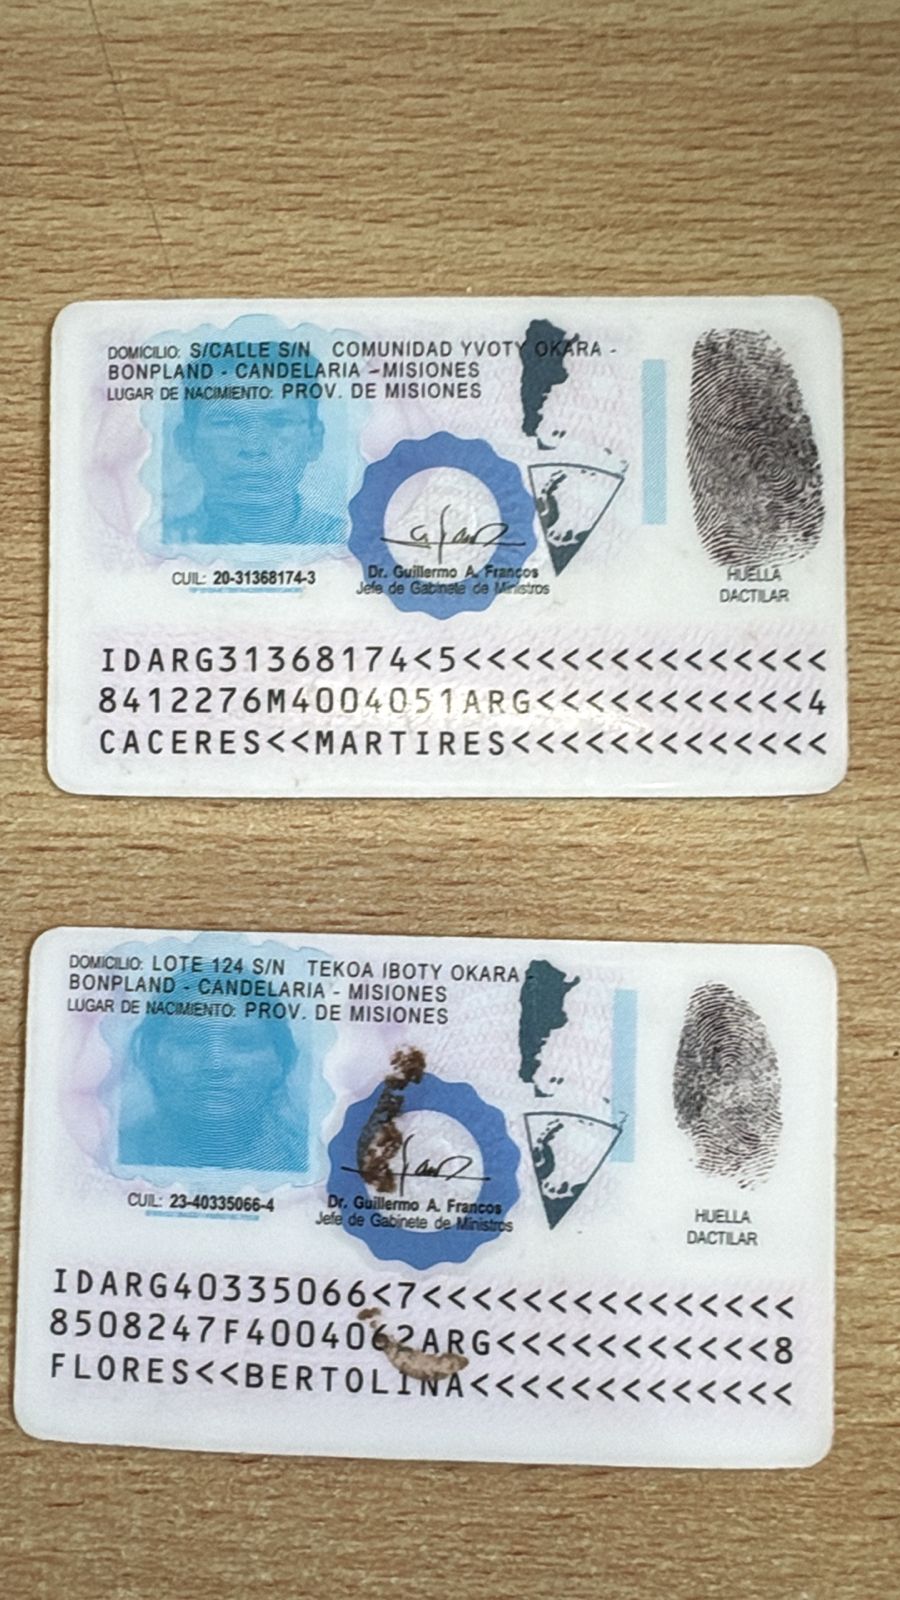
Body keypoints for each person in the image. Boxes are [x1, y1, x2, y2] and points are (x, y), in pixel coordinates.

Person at [118, 1004, 309, 1173]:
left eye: (243, 1042)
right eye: (189, 1041)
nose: (215, 1065)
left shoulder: (309, 1158)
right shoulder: (111, 1154)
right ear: (149, 1056)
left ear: (282, 1061)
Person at [164, 383, 342, 544]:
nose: (253, 448)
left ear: (314, 441)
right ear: (186, 442)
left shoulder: (344, 538)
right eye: (225, 424)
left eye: (280, 423)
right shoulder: (160, 539)